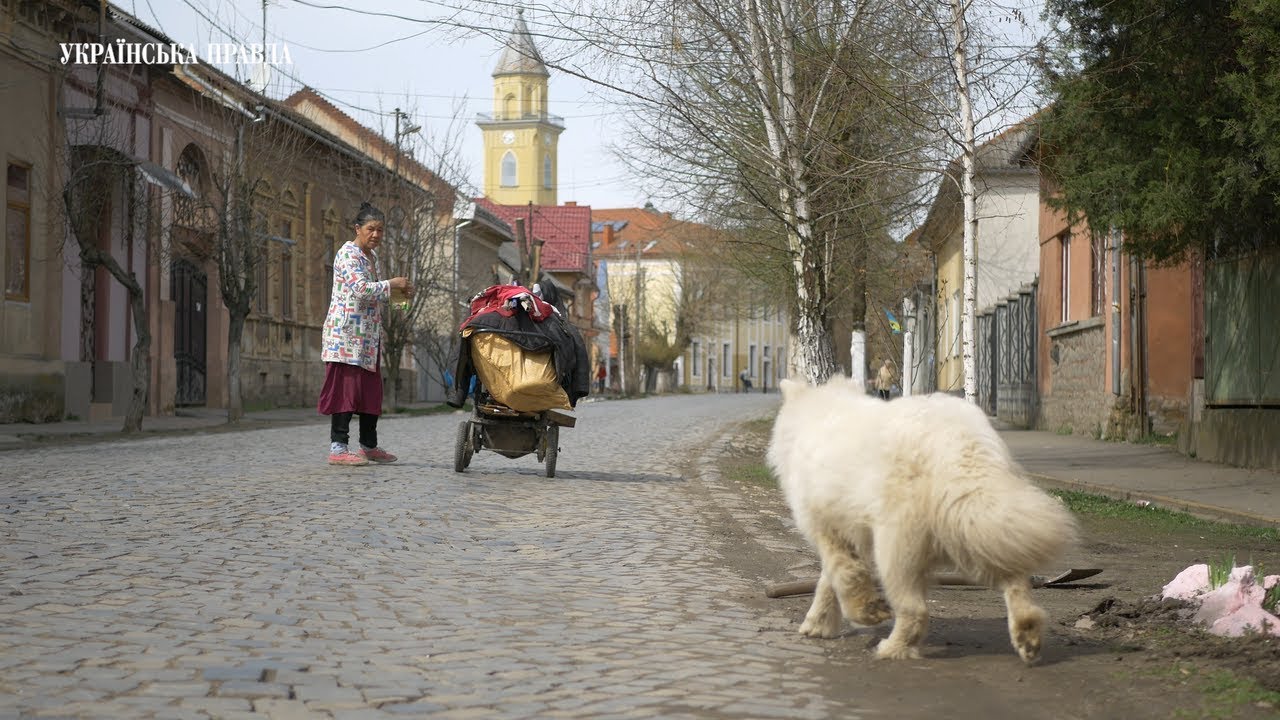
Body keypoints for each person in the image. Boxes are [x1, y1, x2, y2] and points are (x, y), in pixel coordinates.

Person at [317, 202, 413, 466]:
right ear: (357, 228)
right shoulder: (347, 254)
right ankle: (338, 448)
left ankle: (369, 445)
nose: (376, 235)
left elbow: (374, 293)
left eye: (380, 230)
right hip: (345, 336)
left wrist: (398, 296)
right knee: (345, 393)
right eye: (371, 229)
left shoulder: (373, 257)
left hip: (368, 338)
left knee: (370, 393)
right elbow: (360, 289)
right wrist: (391, 283)